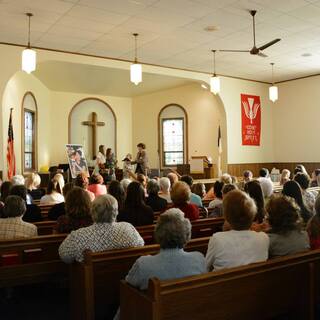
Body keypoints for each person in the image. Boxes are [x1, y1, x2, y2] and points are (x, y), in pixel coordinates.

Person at [125, 208, 206, 289]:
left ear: (158, 233)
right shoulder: (198, 259)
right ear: (187, 235)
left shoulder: (143, 264)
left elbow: (128, 284)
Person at [59, 194, 144, 263]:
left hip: (92, 283)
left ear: (92, 212)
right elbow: (141, 245)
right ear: (116, 212)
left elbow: (65, 256)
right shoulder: (128, 228)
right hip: (124, 279)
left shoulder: (78, 236)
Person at [205, 190, 269, 271]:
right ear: (252, 215)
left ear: (227, 217)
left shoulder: (217, 239)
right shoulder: (263, 238)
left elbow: (206, 267)